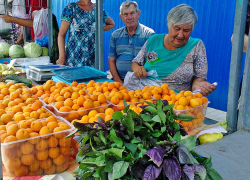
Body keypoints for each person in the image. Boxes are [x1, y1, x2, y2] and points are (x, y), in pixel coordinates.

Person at [131, 4, 216, 96]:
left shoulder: (196, 46)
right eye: (177, 29)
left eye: (186, 31)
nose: (180, 35)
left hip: (178, 103)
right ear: (168, 26)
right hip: (146, 98)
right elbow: (136, 63)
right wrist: (138, 69)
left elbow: (199, 78)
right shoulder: (153, 40)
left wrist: (200, 86)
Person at [56, 0, 115, 67]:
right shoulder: (71, 8)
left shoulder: (97, 9)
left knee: (91, 77)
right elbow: (61, 34)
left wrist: (96, 29)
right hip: (73, 59)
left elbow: (111, 24)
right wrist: (62, 57)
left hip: (91, 58)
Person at [108, 1, 155, 84]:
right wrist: (119, 82)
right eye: (125, 14)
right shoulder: (115, 35)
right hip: (120, 81)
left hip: (142, 84)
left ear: (138, 14)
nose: (129, 17)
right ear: (121, 16)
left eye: (132, 13)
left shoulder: (148, 34)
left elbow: (153, 61)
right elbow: (111, 60)